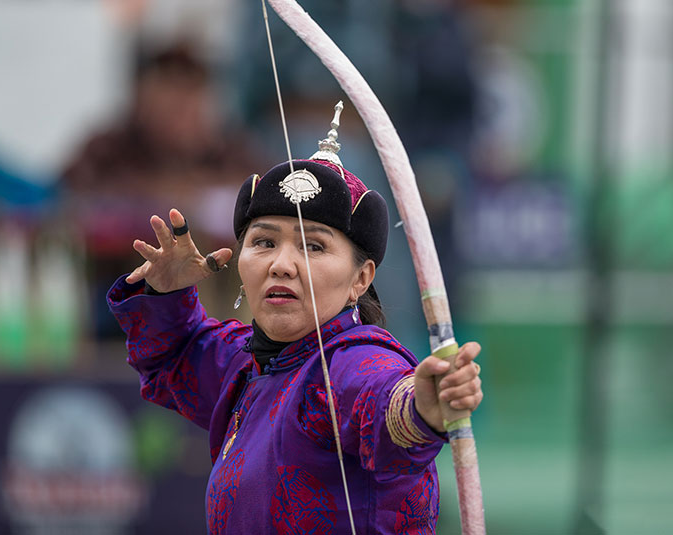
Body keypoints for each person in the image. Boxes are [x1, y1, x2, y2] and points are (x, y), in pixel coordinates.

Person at [106, 118, 483, 533]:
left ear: (361, 278)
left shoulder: (351, 364)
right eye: (264, 242)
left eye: (314, 246)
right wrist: (168, 294)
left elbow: (380, 400)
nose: (281, 265)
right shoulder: (247, 360)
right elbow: (177, 355)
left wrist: (420, 409)